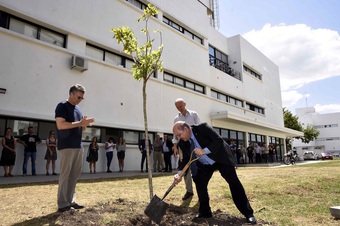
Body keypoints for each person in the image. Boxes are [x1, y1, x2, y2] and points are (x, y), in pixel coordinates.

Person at [172, 121, 256, 224]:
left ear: (186, 129)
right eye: (177, 136)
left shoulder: (203, 127)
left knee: (234, 182)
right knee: (199, 181)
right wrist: (179, 174)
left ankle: (248, 213)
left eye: (179, 135)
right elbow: (185, 160)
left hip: (220, 158)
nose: (179, 138)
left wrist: (204, 151)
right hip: (205, 164)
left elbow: (218, 141)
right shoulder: (182, 143)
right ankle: (205, 211)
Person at [55, 84, 95, 212]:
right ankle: (62, 204)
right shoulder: (62, 106)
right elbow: (60, 125)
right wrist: (80, 123)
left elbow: (81, 127)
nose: (79, 100)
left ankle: (70, 201)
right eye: (78, 97)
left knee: (74, 175)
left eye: (82, 98)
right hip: (67, 146)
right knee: (65, 175)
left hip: (78, 146)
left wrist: (85, 124)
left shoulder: (78, 109)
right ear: (71, 93)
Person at [173, 98, 201, 200]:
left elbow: (199, 128)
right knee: (185, 166)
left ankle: (201, 190)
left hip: (194, 144)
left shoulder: (194, 114)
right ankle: (189, 191)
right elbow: (175, 135)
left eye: (180, 106)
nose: (179, 109)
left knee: (196, 167)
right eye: (177, 107)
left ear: (185, 104)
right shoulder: (176, 119)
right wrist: (175, 146)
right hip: (183, 145)